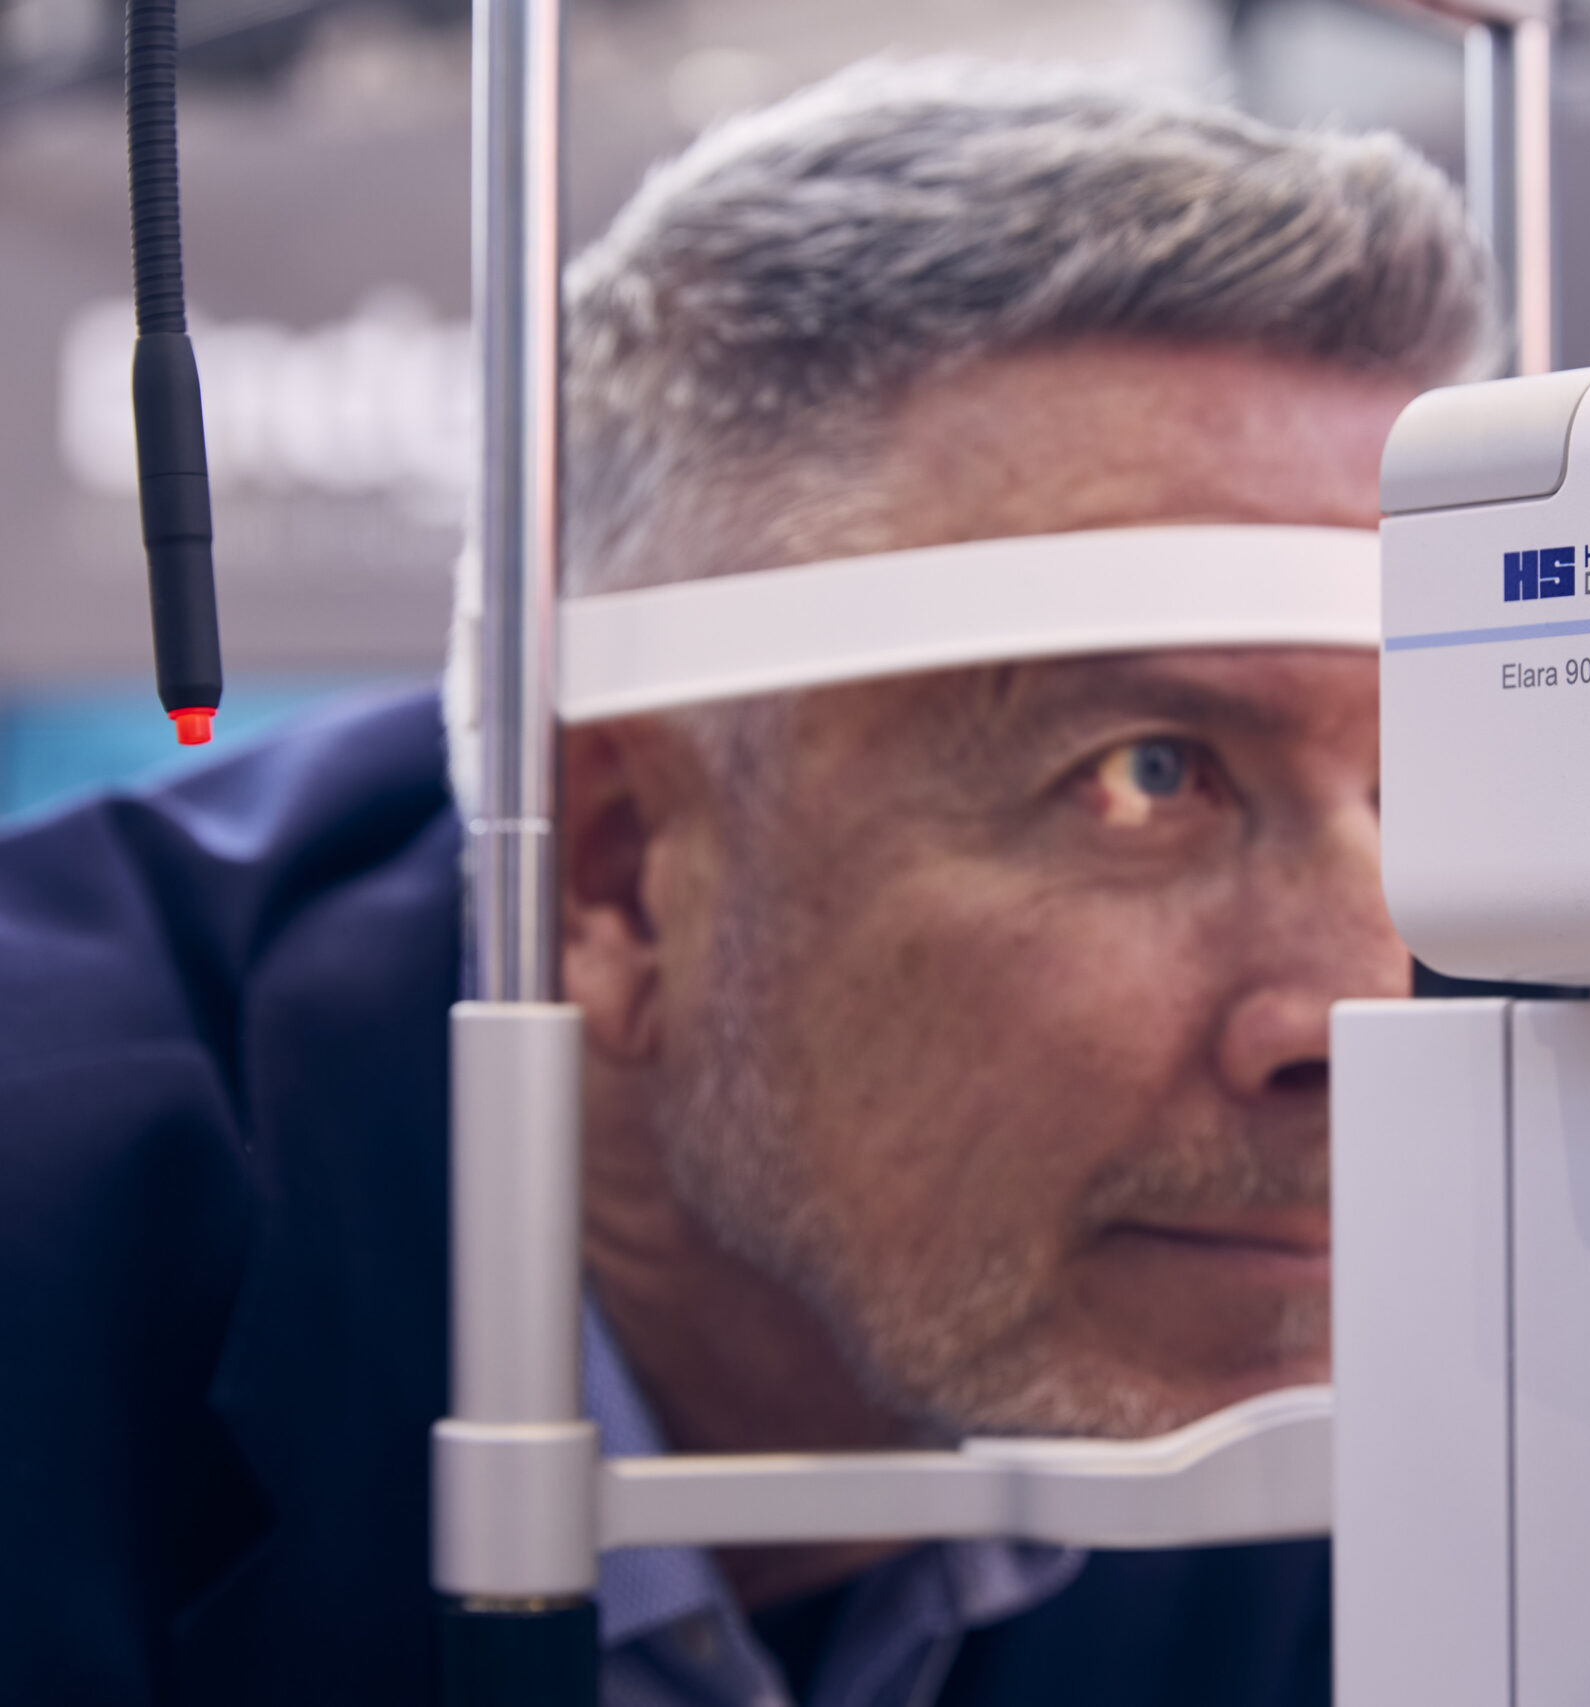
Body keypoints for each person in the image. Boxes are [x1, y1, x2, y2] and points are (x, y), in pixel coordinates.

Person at [0, 59, 1491, 1704]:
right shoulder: (59, 1281)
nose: (1370, 1008)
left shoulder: (1381, 1413)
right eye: (1150, 774)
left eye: (1415, 785)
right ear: (623, 877)